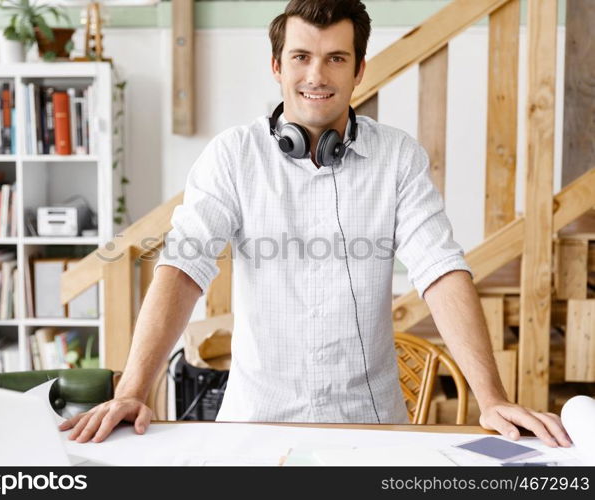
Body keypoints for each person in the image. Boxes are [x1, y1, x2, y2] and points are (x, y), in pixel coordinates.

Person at [60, 0, 572, 448]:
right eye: (302, 57)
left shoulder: (397, 158)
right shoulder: (233, 156)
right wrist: (131, 392)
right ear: (276, 66)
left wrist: (493, 398)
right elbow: (182, 268)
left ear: (360, 69)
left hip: (370, 427)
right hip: (254, 423)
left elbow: (440, 270)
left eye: (336, 59)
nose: (317, 76)